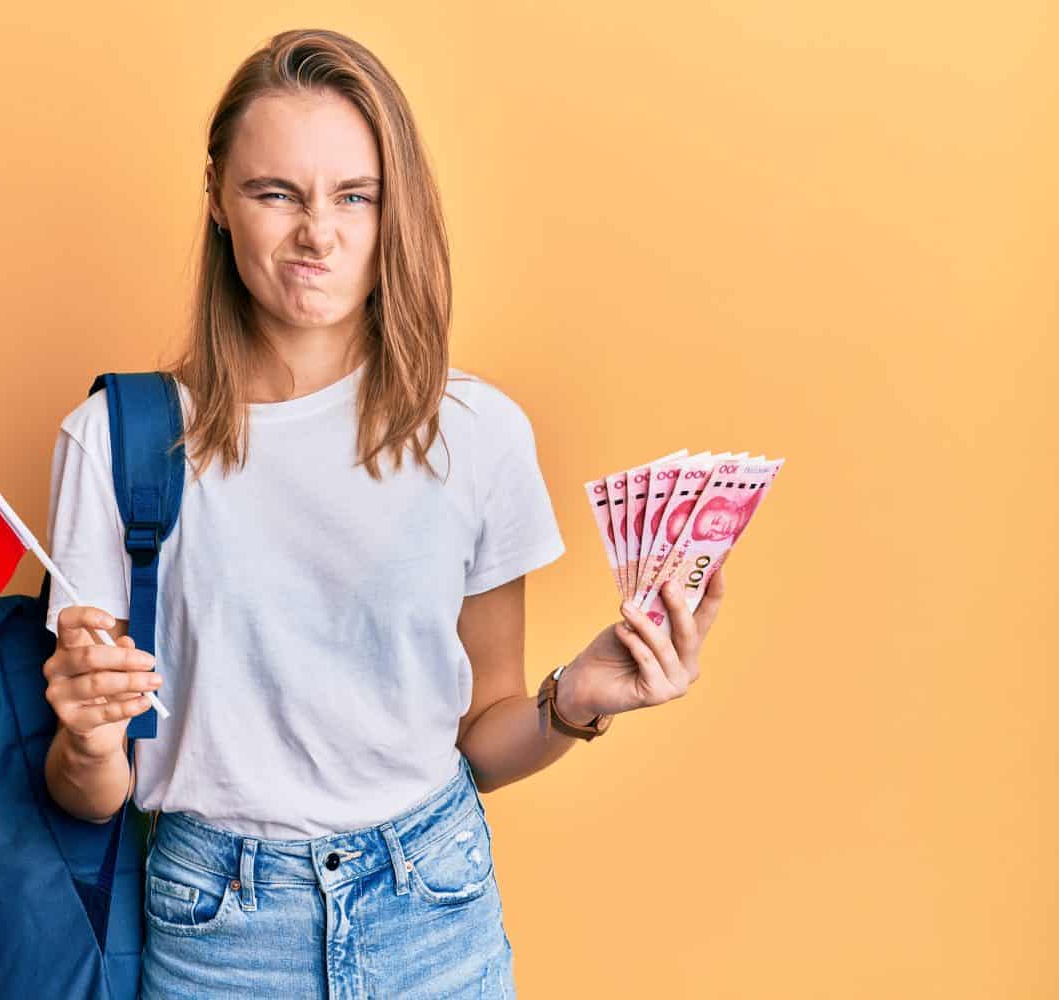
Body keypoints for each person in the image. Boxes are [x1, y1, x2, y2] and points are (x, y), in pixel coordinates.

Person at [39, 28, 729, 999]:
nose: (317, 232)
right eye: (276, 193)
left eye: (353, 196)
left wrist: (576, 700)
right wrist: (84, 739)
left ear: (389, 210)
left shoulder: (476, 433)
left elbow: (486, 732)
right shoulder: (113, 442)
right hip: (216, 925)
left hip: (434, 906)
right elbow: (91, 793)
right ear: (217, 203)